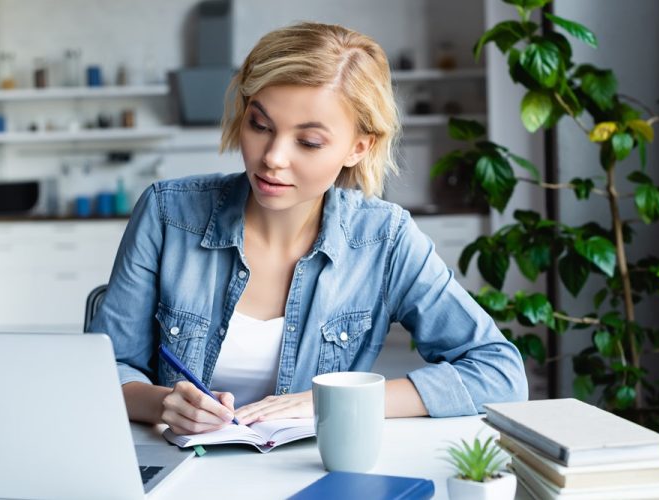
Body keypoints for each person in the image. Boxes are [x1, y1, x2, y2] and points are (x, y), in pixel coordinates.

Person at [88, 22, 527, 436]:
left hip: (314, 472)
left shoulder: (384, 239)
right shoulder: (168, 214)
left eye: (308, 141)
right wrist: (163, 403)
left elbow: (499, 372)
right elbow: (105, 369)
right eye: (260, 125)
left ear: (358, 147)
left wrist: (332, 401)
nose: (273, 157)